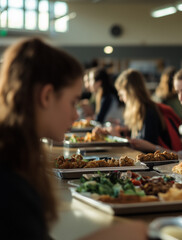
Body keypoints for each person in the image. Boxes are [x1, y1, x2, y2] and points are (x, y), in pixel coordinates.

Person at [0, 37, 146, 239]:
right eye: (72, 102)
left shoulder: (19, 156)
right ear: (47, 96)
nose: (76, 115)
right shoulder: (9, 178)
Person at [96, 68, 175, 150]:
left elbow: (147, 148)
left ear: (131, 92)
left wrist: (118, 137)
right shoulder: (142, 109)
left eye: (122, 94)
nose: (121, 99)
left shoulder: (148, 111)